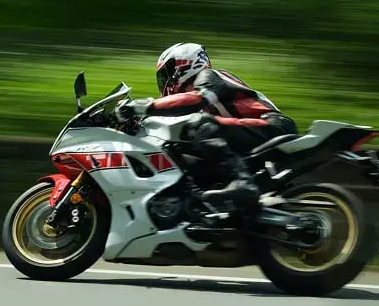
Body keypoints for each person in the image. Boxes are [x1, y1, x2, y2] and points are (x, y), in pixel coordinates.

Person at [113, 42, 298, 217]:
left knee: (200, 123)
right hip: (249, 135)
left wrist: (145, 106)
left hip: (272, 126)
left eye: (165, 74)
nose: (164, 82)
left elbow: (196, 99)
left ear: (181, 66)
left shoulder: (210, 76)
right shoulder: (196, 102)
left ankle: (241, 182)